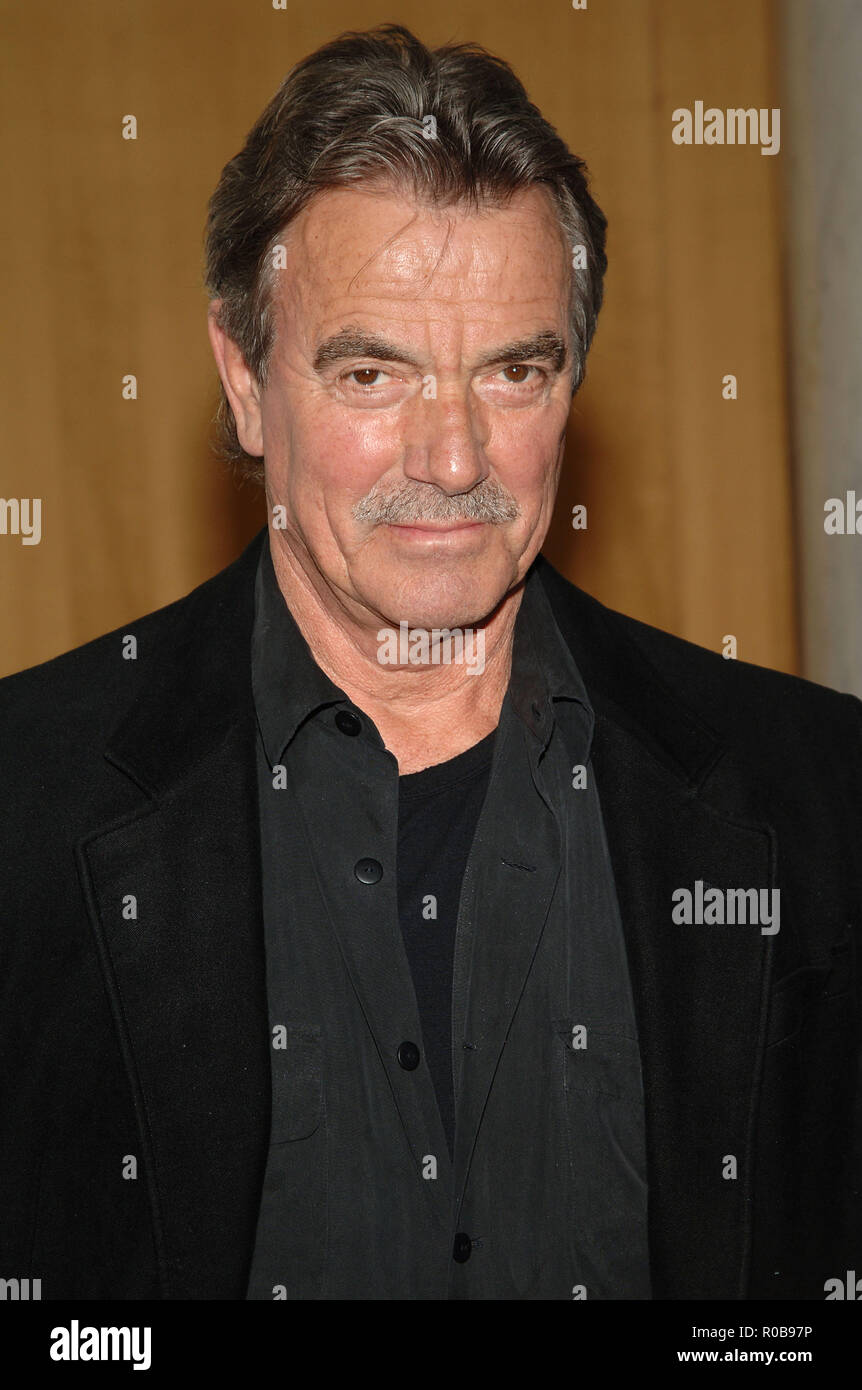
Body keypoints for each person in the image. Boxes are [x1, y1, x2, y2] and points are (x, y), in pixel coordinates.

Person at [1, 23, 859, 1302]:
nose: (453, 459)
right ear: (243, 383)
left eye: (515, 371)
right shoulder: (28, 801)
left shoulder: (820, 796)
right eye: (370, 372)